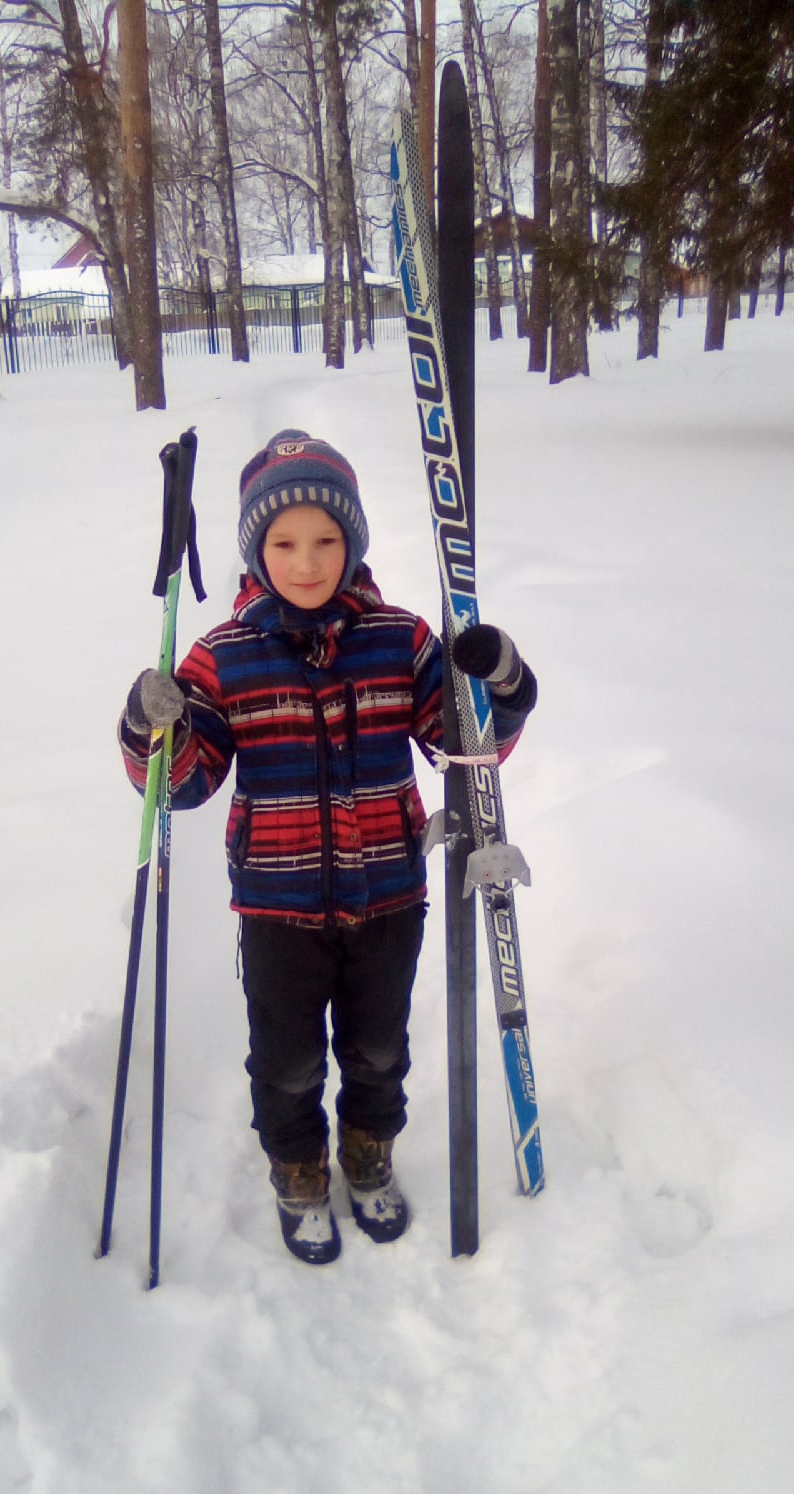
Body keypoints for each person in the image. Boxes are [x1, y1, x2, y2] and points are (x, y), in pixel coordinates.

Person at [119, 429, 536, 1265]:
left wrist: (500, 683)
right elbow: (185, 783)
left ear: (352, 543)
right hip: (278, 911)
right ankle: (299, 1170)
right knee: (288, 1060)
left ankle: (367, 1153)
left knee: (380, 1048)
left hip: (387, 896)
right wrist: (148, 727)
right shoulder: (222, 658)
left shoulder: (401, 639)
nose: (305, 562)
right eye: (282, 543)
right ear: (254, 551)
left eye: (324, 540)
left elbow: (463, 750)